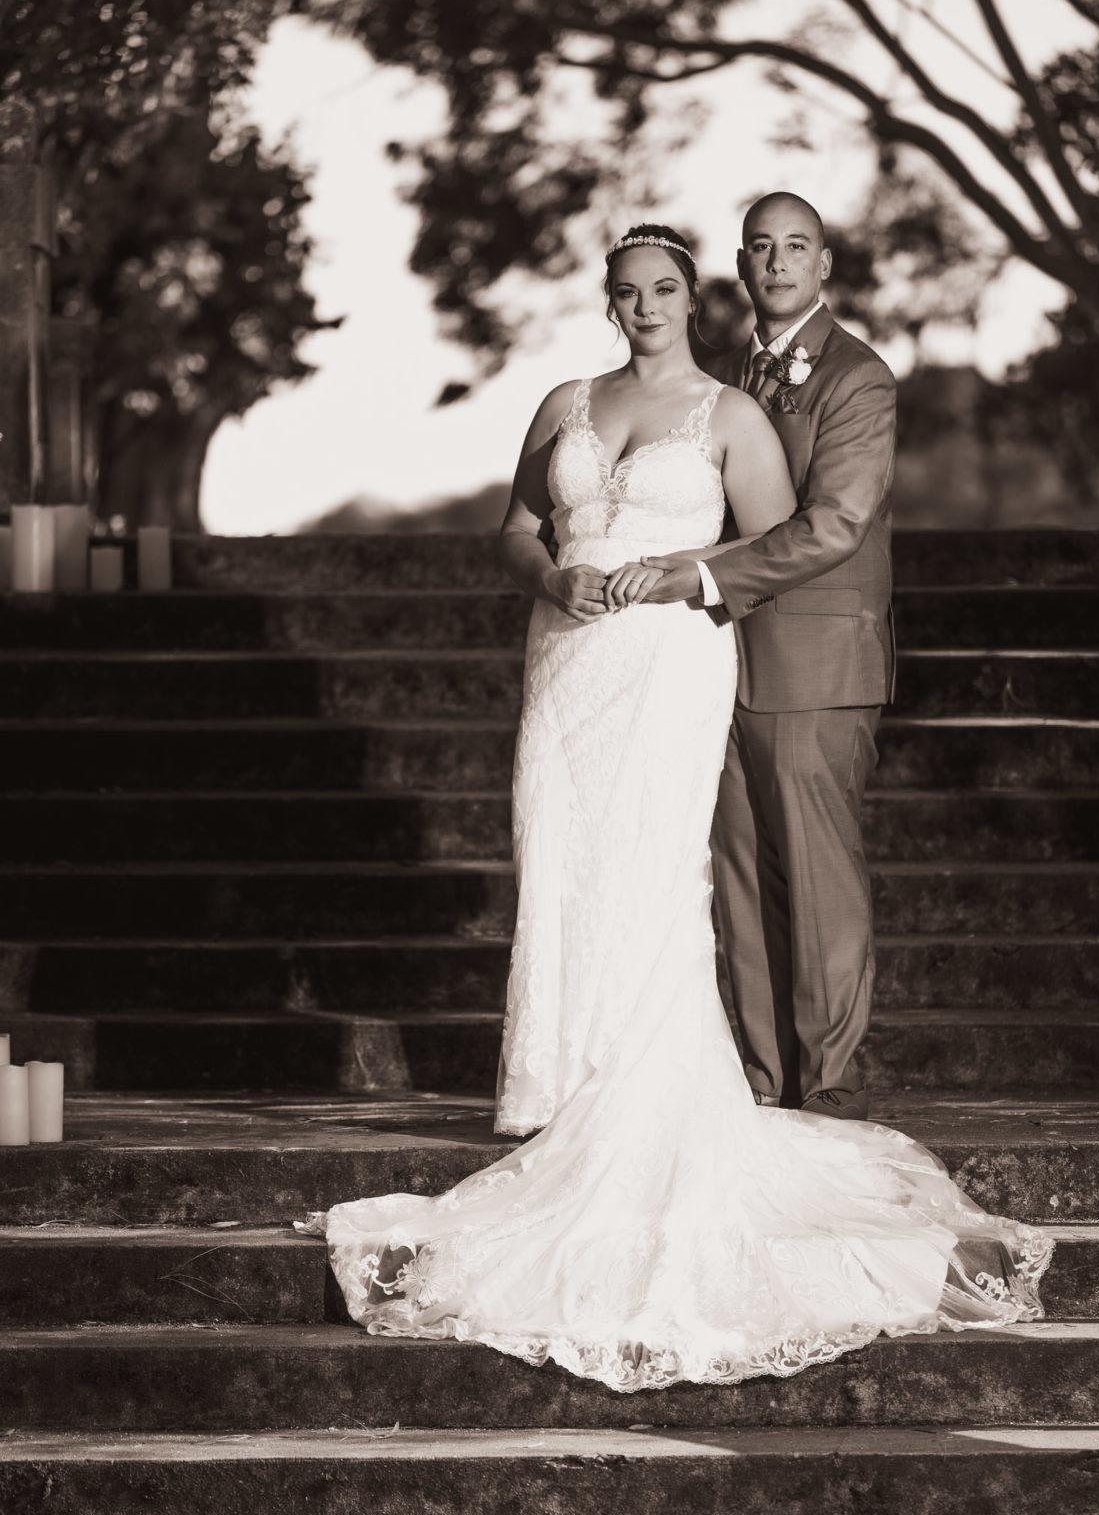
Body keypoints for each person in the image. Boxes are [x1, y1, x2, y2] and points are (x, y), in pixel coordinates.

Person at [300, 224, 1051, 1393]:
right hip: (566, 659)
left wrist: (675, 579)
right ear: (609, 302)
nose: (646, 304)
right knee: (558, 859)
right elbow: (513, 528)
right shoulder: (565, 401)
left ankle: (668, 1089)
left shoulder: (735, 413)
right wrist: (554, 575)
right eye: (627, 291)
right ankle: (557, 1078)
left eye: (664, 287)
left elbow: (782, 543)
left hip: (668, 662)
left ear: (691, 297)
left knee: (655, 869)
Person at [630, 192, 894, 1122]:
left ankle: (830, 1088)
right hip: (717, 666)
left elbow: (836, 525)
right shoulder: (728, 377)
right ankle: (762, 1082)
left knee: (819, 878)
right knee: (739, 874)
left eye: (797, 247)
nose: (778, 263)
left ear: (825, 265)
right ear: (741, 269)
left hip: (817, 661)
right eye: (760, 249)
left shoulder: (859, 379)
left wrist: (699, 576)